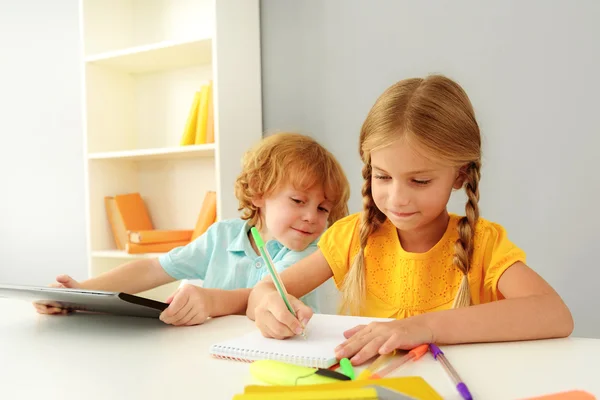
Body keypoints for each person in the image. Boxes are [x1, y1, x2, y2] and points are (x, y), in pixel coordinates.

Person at [247, 75, 573, 365]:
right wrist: (269, 304)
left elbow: (555, 314)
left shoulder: (481, 243)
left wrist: (423, 327)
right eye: (383, 177)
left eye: (419, 181)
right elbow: (264, 290)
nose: (397, 198)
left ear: (459, 176)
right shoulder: (353, 237)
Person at [35, 132, 350, 326]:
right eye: (298, 200)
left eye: (323, 208)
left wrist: (208, 300)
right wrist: (82, 293)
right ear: (258, 193)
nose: (312, 217)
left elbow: (259, 295)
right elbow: (151, 269)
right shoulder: (221, 236)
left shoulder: (311, 250)